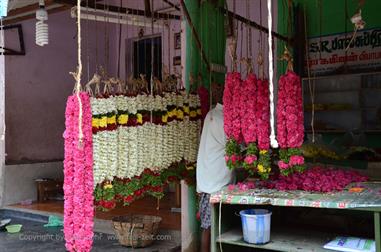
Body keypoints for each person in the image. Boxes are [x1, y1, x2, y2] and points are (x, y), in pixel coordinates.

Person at [196, 99, 234, 252]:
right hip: (214, 183)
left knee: (209, 227)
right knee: (209, 227)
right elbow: (231, 146)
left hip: (208, 179)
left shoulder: (212, 114)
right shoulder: (220, 118)